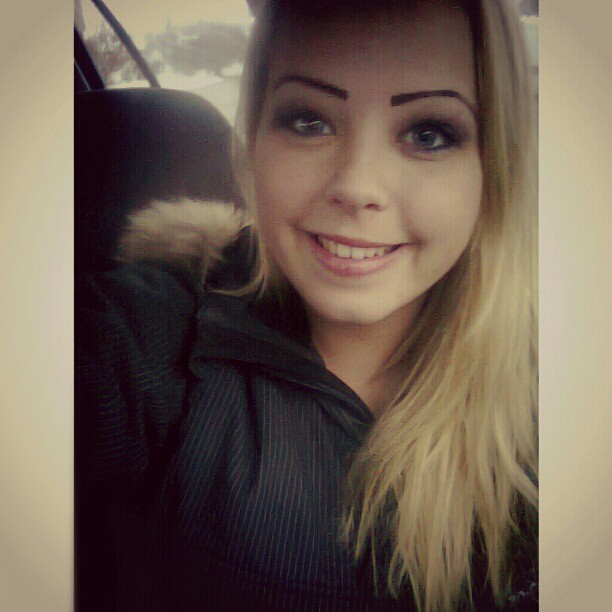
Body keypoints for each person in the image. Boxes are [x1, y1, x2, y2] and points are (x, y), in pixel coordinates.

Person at [76, 0, 538, 609]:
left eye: (428, 134)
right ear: (254, 145)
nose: (356, 186)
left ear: (494, 167)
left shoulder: (559, 375)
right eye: (309, 121)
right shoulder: (146, 339)